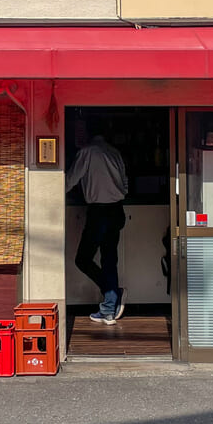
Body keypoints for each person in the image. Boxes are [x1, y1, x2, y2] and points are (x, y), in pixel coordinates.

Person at [66, 132, 128, 325]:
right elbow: (125, 185)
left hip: (99, 211)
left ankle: (113, 296)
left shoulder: (87, 152)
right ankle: (110, 306)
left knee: (83, 259)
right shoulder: (114, 152)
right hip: (117, 209)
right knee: (109, 258)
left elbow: (70, 180)